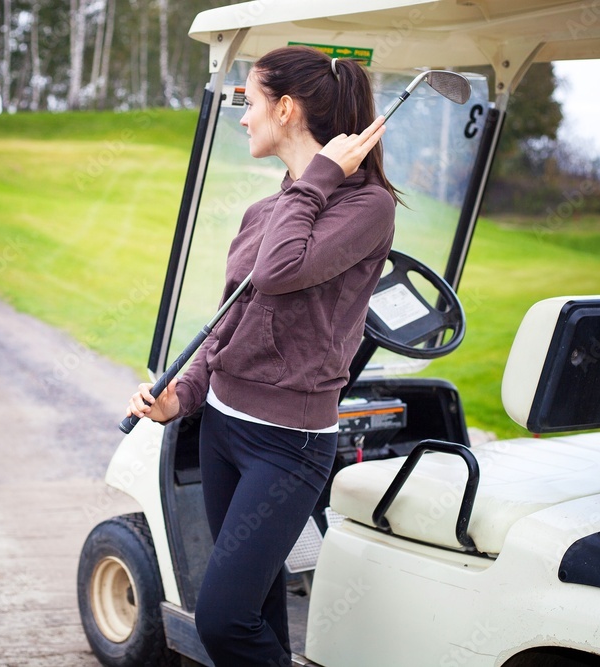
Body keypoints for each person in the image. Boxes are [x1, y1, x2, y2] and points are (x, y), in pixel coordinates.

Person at [126, 45, 399, 666]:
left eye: (248, 102)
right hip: (224, 427)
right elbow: (231, 319)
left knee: (222, 623)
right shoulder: (268, 211)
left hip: (288, 443)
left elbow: (279, 273)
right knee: (256, 611)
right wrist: (185, 393)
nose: (243, 118)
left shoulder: (367, 208)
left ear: (286, 108)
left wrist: (319, 177)